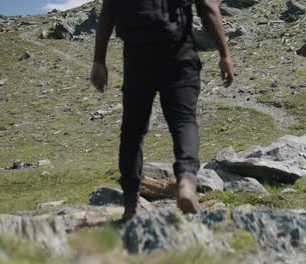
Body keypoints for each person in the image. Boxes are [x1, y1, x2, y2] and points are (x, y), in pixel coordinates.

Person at [90, 0, 233, 221]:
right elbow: (208, 8)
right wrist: (225, 54)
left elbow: (108, 12)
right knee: (183, 122)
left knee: (132, 132)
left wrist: (99, 60)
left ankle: (130, 203)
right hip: (178, 52)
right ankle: (186, 181)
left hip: (137, 56)